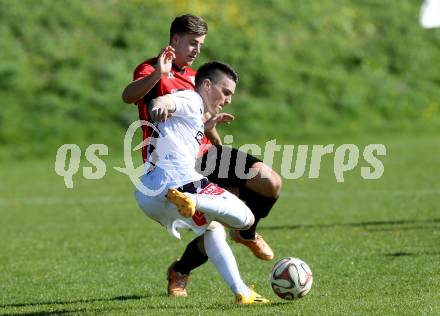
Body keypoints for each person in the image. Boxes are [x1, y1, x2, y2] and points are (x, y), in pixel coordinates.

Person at [122, 14, 281, 297]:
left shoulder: (199, 78)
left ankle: (246, 233)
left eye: (201, 44)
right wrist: (159, 75)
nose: (197, 50)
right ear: (175, 40)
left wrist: (212, 131)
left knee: (269, 181)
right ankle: (181, 271)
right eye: (192, 43)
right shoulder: (151, 68)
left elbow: (199, 119)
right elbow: (129, 95)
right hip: (174, 160)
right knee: (211, 224)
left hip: (206, 154)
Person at [134, 59, 269, 304]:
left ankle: (242, 292)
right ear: (206, 84)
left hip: (149, 195)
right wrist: (158, 105)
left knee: (213, 229)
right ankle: (193, 199)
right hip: (180, 185)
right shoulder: (192, 98)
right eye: (225, 92)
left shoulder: (195, 113)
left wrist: (206, 126)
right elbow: (162, 101)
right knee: (246, 218)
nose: (228, 99)